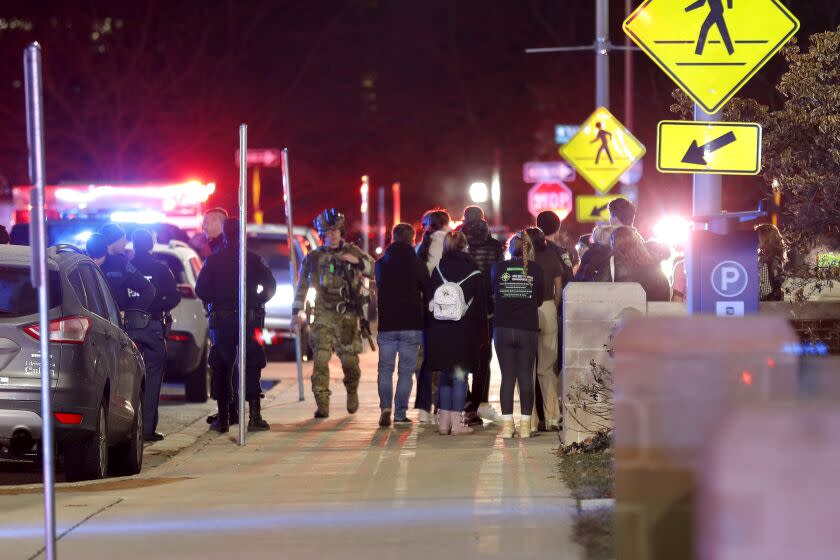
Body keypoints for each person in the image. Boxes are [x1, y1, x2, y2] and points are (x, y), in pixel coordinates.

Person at [291, 209, 374, 419]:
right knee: (320, 358)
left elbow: (374, 269)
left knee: (349, 361)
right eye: (328, 232)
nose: (333, 235)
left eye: (336, 231)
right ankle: (322, 403)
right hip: (322, 312)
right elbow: (301, 286)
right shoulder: (313, 257)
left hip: (346, 313)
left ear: (341, 231)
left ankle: (352, 390)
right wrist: (296, 312)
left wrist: (357, 262)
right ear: (322, 234)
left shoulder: (353, 252)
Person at [195, 218, 276, 433]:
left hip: (222, 319)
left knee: (222, 365)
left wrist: (217, 299)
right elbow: (270, 287)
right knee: (252, 363)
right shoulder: (253, 259)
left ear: (224, 234)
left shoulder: (214, 260)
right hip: (250, 318)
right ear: (243, 234)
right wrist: (257, 300)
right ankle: (255, 416)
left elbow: (201, 289)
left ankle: (223, 417)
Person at [425, 231, 487, 435]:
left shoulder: (438, 269)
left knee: (445, 375)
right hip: (464, 331)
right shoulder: (474, 272)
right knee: (460, 377)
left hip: (440, 331)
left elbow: (429, 302)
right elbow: (480, 309)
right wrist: (482, 337)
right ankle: (458, 423)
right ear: (464, 246)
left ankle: (443, 423)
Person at [375, 223, 430, 427]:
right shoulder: (417, 263)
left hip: (387, 325)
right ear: (412, 239)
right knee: (406, 372)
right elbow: (427, 289)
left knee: (385, 370)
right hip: (411, 324)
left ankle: (385, 408)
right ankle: (399, 413)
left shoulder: (380, 264)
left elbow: (380, 286)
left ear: (393, 237)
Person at [129, 229, 182, 442]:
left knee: (126, 379)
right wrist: (159, 308)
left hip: (127, 326)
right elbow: (175, 297)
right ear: (151, 245)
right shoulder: (160, 269)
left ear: (133, 245)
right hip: (152, 325)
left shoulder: (127, 267)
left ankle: (128, 426)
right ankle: (147, 429)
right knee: (151, 379)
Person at [492, 230, 544, 439]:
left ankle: (506, 427)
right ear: (528, 249)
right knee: (525, 376)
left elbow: (494, 294)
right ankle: (524, 426)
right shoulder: (536, 269)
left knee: (507, 377)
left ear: (509, 249)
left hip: (503, 328)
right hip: (527, 328)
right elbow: (539, 299)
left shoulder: (497, 268)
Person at [458, 206, 504, 426]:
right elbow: (497, 274)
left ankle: (466, 401)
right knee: (484, 357)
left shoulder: (458, 243)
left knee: (462, 354)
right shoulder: (494, 245)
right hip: (487, 307)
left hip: (462, 306)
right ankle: (477, 404)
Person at [414, 209, 451, 423]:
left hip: (425, 310)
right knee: (445, 360)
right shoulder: (450, 243)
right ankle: (442, 406)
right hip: (446, 309)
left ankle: (423, 408)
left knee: (426, 360)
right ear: (446, 224)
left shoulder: (420, 248)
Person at [530, 227, 565, 432]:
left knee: (528, 368)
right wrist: (555, 305)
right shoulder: (552, 256)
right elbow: (558, 286)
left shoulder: (525, 258)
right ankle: (553, 417)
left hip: (527, 311)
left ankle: (531, 419)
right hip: (548, 307)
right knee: (547, 367)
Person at [599, 227, 672, 301]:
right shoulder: (653, 264)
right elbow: (665, 290)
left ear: (614, 243)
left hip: (625, 310)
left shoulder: (612, 264)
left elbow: (598, 292)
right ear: (637, 242)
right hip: (652, 310)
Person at [756, 223, 787, 301]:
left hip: (769, 303)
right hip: (773, 301)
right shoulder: (773, 258)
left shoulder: (769, 260)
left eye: (759, 237)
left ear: (766, 238)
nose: (758, 240)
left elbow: (766, 288)